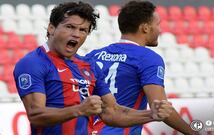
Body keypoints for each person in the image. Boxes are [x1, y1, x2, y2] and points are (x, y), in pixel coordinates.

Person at [13, 1, 174, 135]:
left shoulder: (88, 66)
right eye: (70, 27)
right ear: (51, 28)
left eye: (83, 30)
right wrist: (79, 110)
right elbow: (36, 114)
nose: (76, 34)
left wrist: (151, 114)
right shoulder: (33, 63)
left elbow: (111, 111)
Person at [86, 1, 199, 135]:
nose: (160, 30)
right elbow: (161, 108)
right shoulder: (148, 58)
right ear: (145, 28)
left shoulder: (93, 55)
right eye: (157, 24)